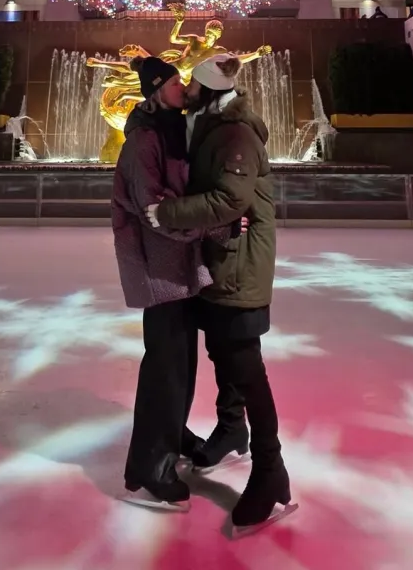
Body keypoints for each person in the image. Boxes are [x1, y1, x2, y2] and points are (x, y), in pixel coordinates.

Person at [148, 54, 295, 536]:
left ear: (210, 93)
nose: (187, 92)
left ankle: (270, 470)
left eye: (193, 86)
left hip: (241, 263)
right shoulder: (213, 124)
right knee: (224, 353)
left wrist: (167, 214)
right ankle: (233, 429)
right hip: (224, 257)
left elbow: (230, 199)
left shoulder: (235, 135)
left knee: (245, 365)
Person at [112, 55, 237, 511]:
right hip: (159, 269)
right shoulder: (144, 142)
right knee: (165, 367)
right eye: (175, 83)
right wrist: (213, 228)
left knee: (181, 361)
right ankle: (151, 465)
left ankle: (174, 432)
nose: (183, 89)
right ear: (156, 90)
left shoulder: (170, 132)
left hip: (181, 269)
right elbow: (157, 210)